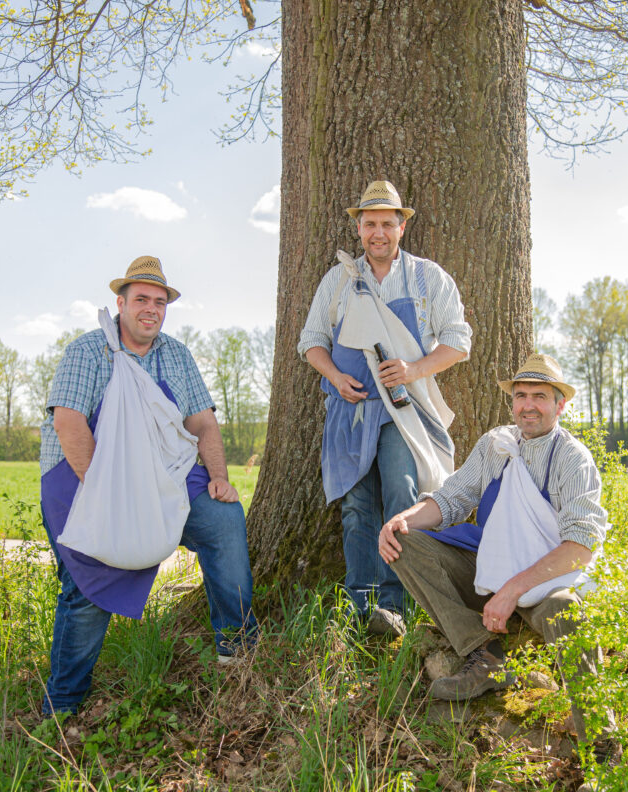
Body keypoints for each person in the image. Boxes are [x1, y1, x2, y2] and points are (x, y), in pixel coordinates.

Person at [39, 255, 257, 716]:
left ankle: (237, 648)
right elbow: (70, 423)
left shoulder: (176, 354)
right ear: (120, 303)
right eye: (141, 299)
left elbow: (202, 421)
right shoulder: (87, 350)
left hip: (166, 475)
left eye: (160, 302)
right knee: (87, 584)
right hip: (87, 478)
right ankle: (62, 703)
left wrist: (218, 477)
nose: (151, 309)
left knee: (224, 520)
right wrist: (110, 498)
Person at [378, 353, 615, 744]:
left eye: (540, 396)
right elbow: (450, 499)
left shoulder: (573, 460)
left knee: (567, 609)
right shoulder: (496, 445)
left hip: (546, 582)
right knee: (403, 542)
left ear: (561, 404)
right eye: (520, 395)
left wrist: (513, 590)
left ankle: (603, 745)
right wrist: (400, 520)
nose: (528, 405)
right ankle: (484, 654)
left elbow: (580, 548)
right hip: (491, 571)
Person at [298, 180, 471, 638]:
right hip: (350, 411)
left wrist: (413, 369)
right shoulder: (339, 279)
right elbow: (311, 342)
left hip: (404, 410)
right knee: (357, 506)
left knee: (402, 494)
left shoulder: (426, 278)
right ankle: (359, 606)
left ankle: (394, 607)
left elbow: (458, 341)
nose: (379, 233)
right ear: (359, 229)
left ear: (401, 227)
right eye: (370, 224)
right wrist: (336, 378)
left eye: (387, 224)